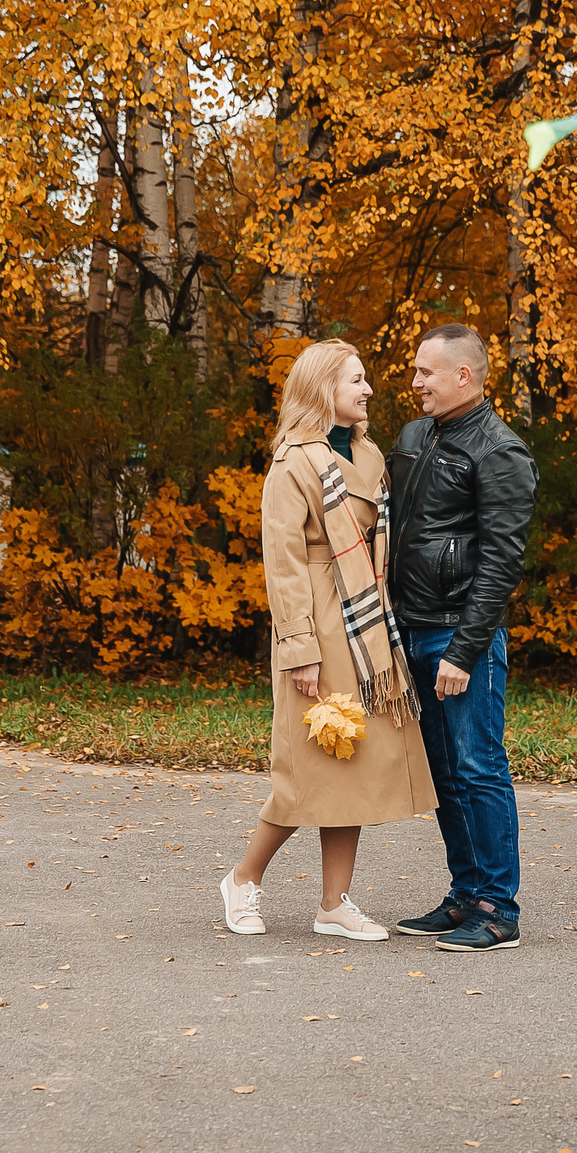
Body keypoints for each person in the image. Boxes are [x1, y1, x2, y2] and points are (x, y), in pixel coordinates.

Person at [219, 339, 436, 942]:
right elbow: (283, 565)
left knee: (351, 763)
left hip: (366, 619)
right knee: (307, 767)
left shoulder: (369, 455)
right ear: (323, 392)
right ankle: (243, 879)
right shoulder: (292, 464)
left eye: (365, 380)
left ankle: (333, 904)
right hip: (316, 616)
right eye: (356, 380)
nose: (368, 390)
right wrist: (299, 651)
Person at [384, 322, 538, 952]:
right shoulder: (415, 436)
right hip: (411, 629)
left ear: (463, 376)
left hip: (459, 638)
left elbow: (502, 562)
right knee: (445, 772)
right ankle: (464, 895)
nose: (415, 381)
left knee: (479, 768)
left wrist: (464, 651)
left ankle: (499, 911)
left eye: (425, 371)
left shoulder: (501, 450)